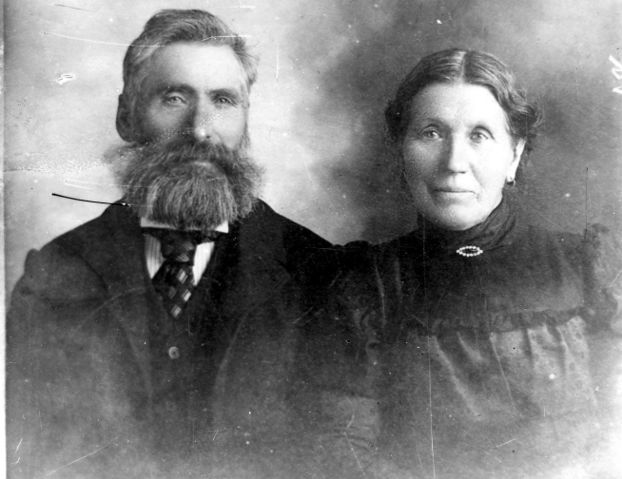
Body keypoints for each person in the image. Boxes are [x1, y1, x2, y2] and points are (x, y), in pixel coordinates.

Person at [7, 9, 336, 479]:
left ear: (246, 121)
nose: (200, 129)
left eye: (223, 100)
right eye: (174, 98)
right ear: (126, 116)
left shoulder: (317, 272)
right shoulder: (55, 273)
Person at [297, 48, 622, 478]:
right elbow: (345, 452)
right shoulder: (367, 288)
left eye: (479, 135)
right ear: (401, 151)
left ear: (515, 155)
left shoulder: (587, 268)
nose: (454, 163)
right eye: (431, 133)